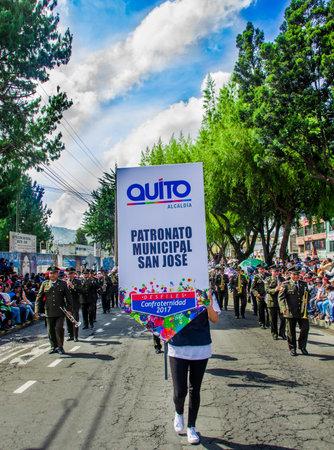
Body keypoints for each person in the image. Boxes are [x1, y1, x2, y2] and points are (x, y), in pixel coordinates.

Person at [168, 290, 220, 445]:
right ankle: (179, 412)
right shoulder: (172, 289)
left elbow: (214, 319)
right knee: (180, 391)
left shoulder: (206, 291)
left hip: (200, 346)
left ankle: (192, 426)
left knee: (194, 389)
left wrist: (209, 304)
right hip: (177, 346)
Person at [35, 266, 73, 354]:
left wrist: (69, 309)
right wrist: (37, 310)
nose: (52, 275)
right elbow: (39, 298)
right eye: (51, 273)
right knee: (50, 330)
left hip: (60, 311)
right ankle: (53, 346)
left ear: (57, 274)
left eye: (54, 273)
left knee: (59, 328)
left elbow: (68, 298)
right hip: (49, 311)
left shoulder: (62, 284)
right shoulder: (45, 284)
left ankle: (60, 346)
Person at [278, 266, 309, 356]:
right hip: (290, 311)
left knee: (305, 329)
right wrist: (283, 309)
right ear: (290, 274)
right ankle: (292, 348)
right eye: (294, 274)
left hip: (302, 311)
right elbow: (281, 298)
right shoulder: (286, 284)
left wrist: (306, 302)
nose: (296, 276)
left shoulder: (304, 284)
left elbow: (308, 295)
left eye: (298, 274)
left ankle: (302, 346)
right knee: (291, 331)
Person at [265, 265, 286, 340]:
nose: (277, 273)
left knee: (283, 318)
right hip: (272, 301)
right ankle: (274, 333)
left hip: (281, 302)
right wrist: (275, 290)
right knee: (273, 319)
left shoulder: (282, 279)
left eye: (278, 271)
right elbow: (267, 290)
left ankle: (282, 332)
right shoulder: (268, 279)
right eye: (275, 271)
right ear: (271, 272)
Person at [65, 267, 82, 342]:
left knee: (75, 319)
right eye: (68, 274)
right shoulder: (64, 282)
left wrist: (72, 287)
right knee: (68, 319)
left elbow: (80, 290)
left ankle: (76, 336)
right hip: (67, 304)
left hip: (75, 302)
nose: (70, 275)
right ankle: (70, 335)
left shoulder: (77, 281)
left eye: (71, 273)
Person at [251, 263, 268, 329]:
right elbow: (253, 288)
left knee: (268, 311)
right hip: (260, 296)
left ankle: (268, 323)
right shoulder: (256, 277)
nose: (262, 270)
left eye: (263, 269)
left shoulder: (268, 276)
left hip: (267, 296)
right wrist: (256, 294)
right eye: (261, 269)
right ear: (258, 270)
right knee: (261, 311)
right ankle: (262, 323)